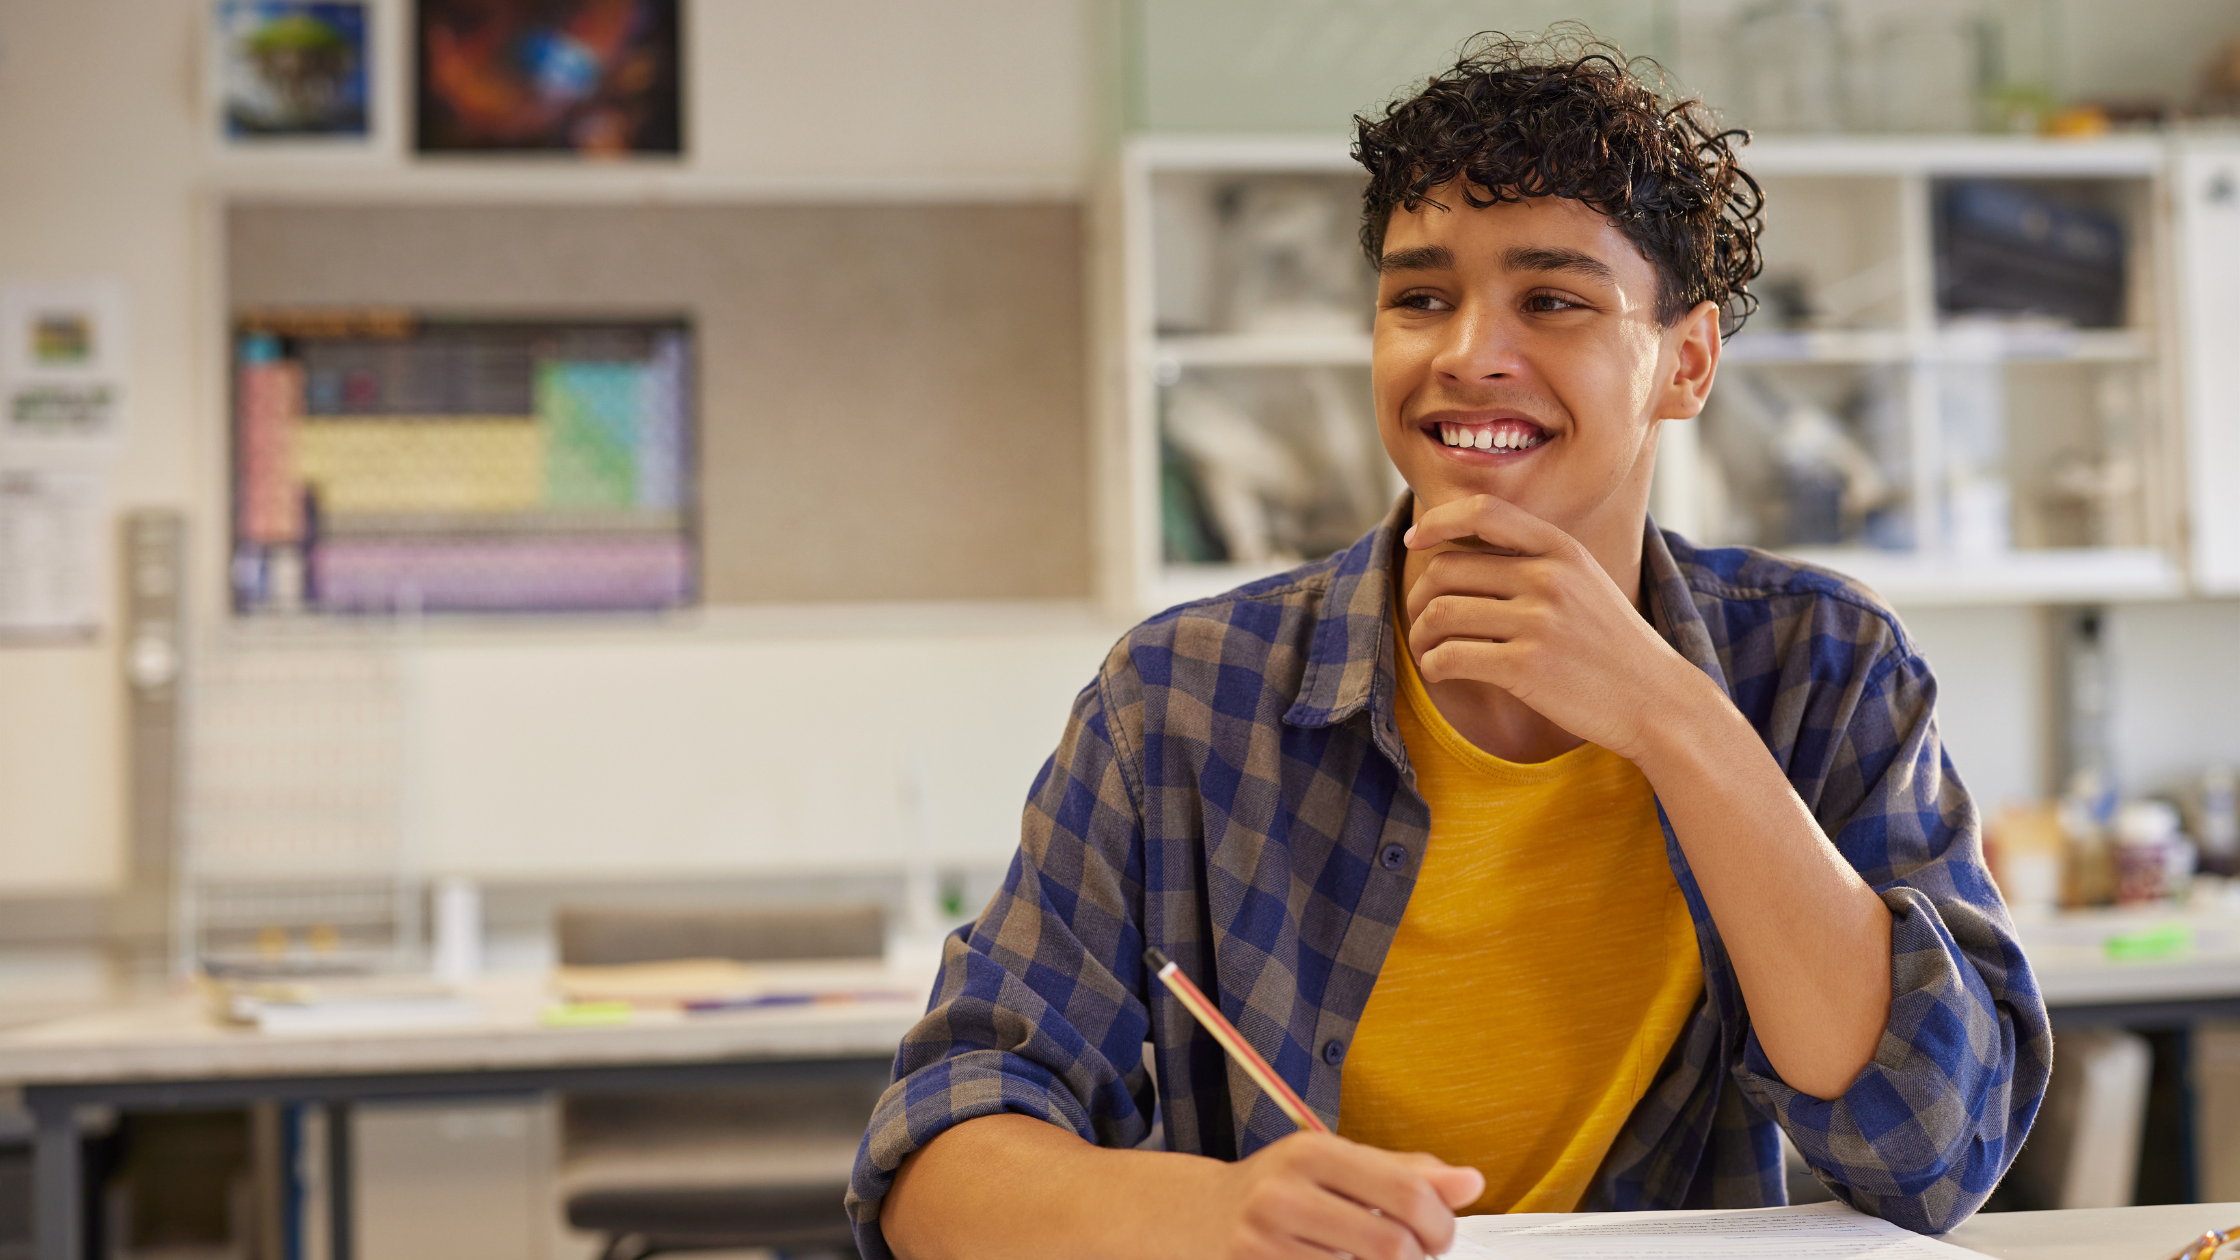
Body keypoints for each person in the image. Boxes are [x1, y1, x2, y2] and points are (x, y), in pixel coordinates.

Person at [848, 32, 2049, 1260]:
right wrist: (1206, 1212)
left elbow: (1932, 1147)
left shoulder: (1823, 666)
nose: (1467, 352)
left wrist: (1673, 719)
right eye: (1418, 296)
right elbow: (930, 1166)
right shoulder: (1179, 699)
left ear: (1683, 363)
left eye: (1552, 299)